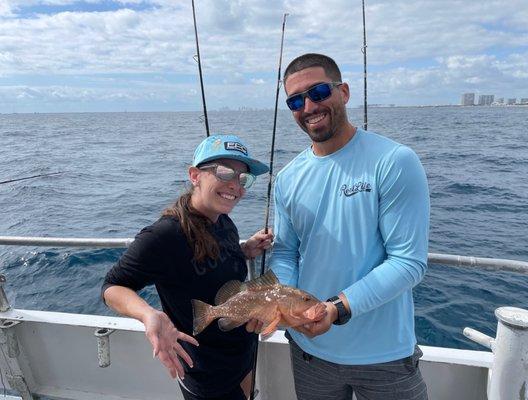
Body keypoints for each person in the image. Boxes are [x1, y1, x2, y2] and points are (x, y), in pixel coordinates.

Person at [270, 53, 430, 399]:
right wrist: (284, 301)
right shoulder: (286, 179)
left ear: (343, 91)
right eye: (296, 100)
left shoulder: (394, 161)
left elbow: (408, 261)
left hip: (384, 356)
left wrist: (337, 308)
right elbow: (285, 251)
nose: (309, 105)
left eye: (319, 92)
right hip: (308, 352)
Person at [102, 134, 273, 400]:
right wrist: (148, 315)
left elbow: (209, 268)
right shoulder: (164, 235)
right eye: (225, 172)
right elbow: (112, 287)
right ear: (195, 176)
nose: (236, 186)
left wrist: (245, 250)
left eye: (243, 179)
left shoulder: (224, 221)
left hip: (242, 353)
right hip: (205, 372)